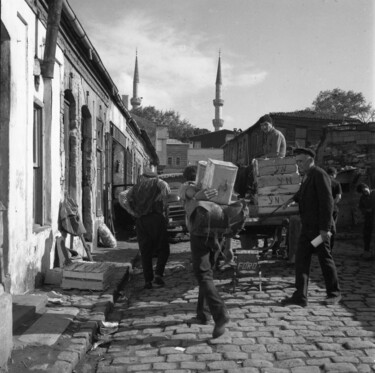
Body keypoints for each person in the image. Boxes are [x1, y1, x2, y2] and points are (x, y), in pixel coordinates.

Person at [281, 148, 341, 307]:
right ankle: (300, 296)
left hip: (318, 231)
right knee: (301, 259)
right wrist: (292, 199)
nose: (298, 165)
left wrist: (325, 229)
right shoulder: (307, 176)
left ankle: (334, 293)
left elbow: (327, 203)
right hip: (307, 230)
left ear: (309, 160)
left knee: (324, 259)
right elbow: (302, 192)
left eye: (300, 161)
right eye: (297, 162)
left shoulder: (319, 174)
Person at [179, 166, 230, 339]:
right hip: (218, 232)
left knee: (203, 274)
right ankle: (204, 313)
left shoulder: (187, 186)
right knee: (208, 273)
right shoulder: (211, 186)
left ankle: (219, 313)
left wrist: (195, 195)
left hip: (200, 233)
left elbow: (185, 193)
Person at [127, 168, 171, 289]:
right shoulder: (158, 182)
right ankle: (158, 274)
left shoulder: (135, 188)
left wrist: (132, 211)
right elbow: (166, 189)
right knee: (163, 249)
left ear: (143, 177)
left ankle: (148, 281)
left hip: (141, 220)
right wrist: (160, 197)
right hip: (156, 218)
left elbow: (122, 197)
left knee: (145, 251)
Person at [356, 183, 375, 259]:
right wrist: (366, 210)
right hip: (368, 218)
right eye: (363, 192)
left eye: (365, 190)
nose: (365, 192)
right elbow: (361, 207)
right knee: (366, 234)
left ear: (367, 187)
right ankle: (366, 252)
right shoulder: (362, 198)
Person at [326, 166, 342, 250]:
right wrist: (331, 204)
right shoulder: (336, 183)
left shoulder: (321, 182)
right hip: (333, 210)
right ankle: (329, 248)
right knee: (332, 230)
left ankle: (315, 246)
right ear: (334, 174)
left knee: (321, 229)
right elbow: (338, 197)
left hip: (321, 209)